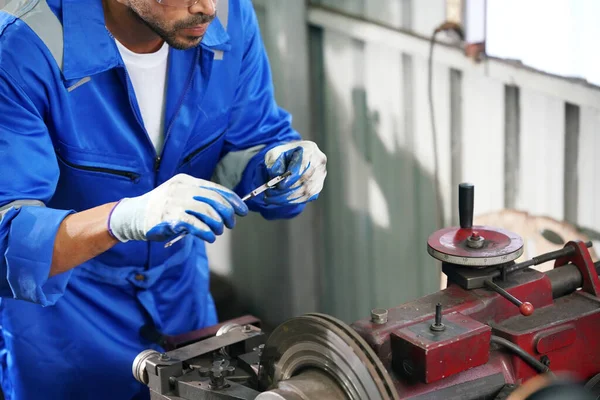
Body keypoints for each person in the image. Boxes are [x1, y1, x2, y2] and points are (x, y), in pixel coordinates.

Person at [0, 0, 327, 398]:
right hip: (65, 327)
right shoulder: (23, 48)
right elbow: (8, 235)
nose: (206, 7)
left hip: (182, 300)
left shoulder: (228, 14)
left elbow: (250, 140)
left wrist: (274, 166)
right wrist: (121, 219)